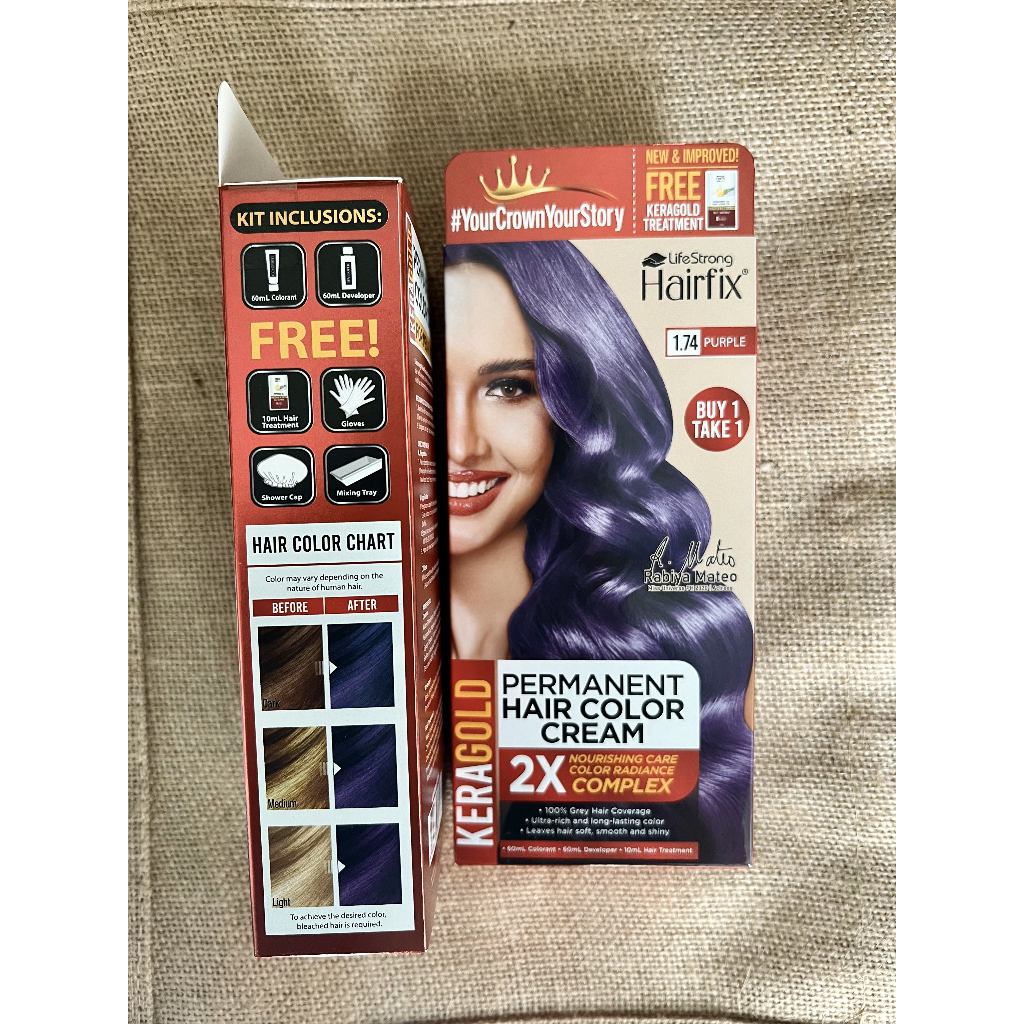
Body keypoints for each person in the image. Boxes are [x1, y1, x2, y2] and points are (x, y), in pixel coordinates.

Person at [445, 240, 754, 860]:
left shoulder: (696, 657)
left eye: (508, 388)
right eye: (426, 388)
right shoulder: (351, 648)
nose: (460, 444)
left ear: (574, 410)